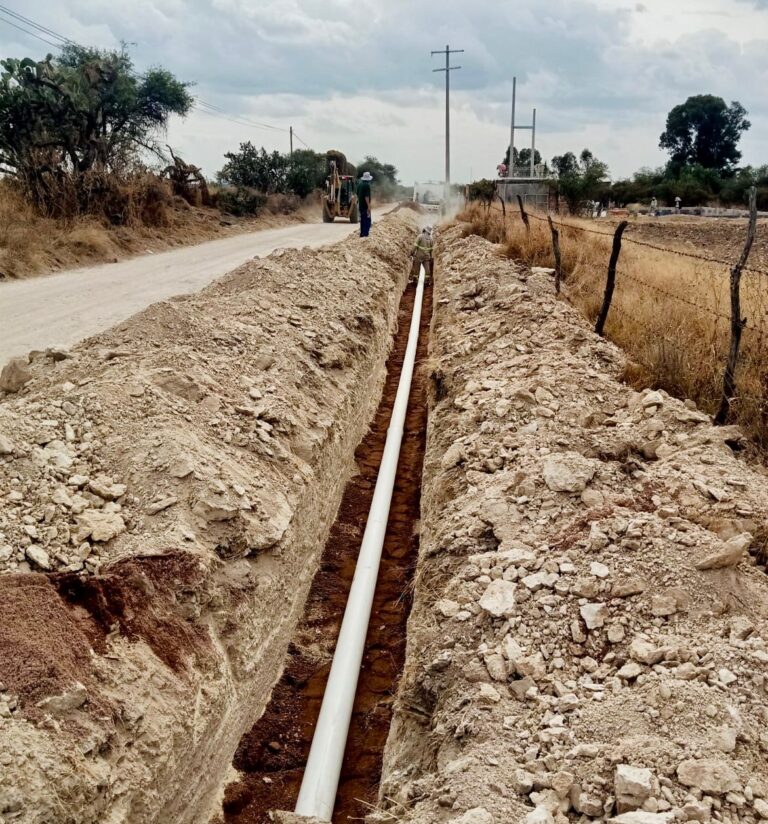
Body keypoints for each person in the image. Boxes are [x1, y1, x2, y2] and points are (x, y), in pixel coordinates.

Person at [357, 171, 373, 237]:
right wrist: (368, 206)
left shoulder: (359, 185)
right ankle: (366, 234)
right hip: (365, 206)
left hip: (360, 205)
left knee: (362, 220)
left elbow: (357, 194)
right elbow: (366, 196)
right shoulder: (367, 185)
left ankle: (362, 233)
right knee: (367, 220)